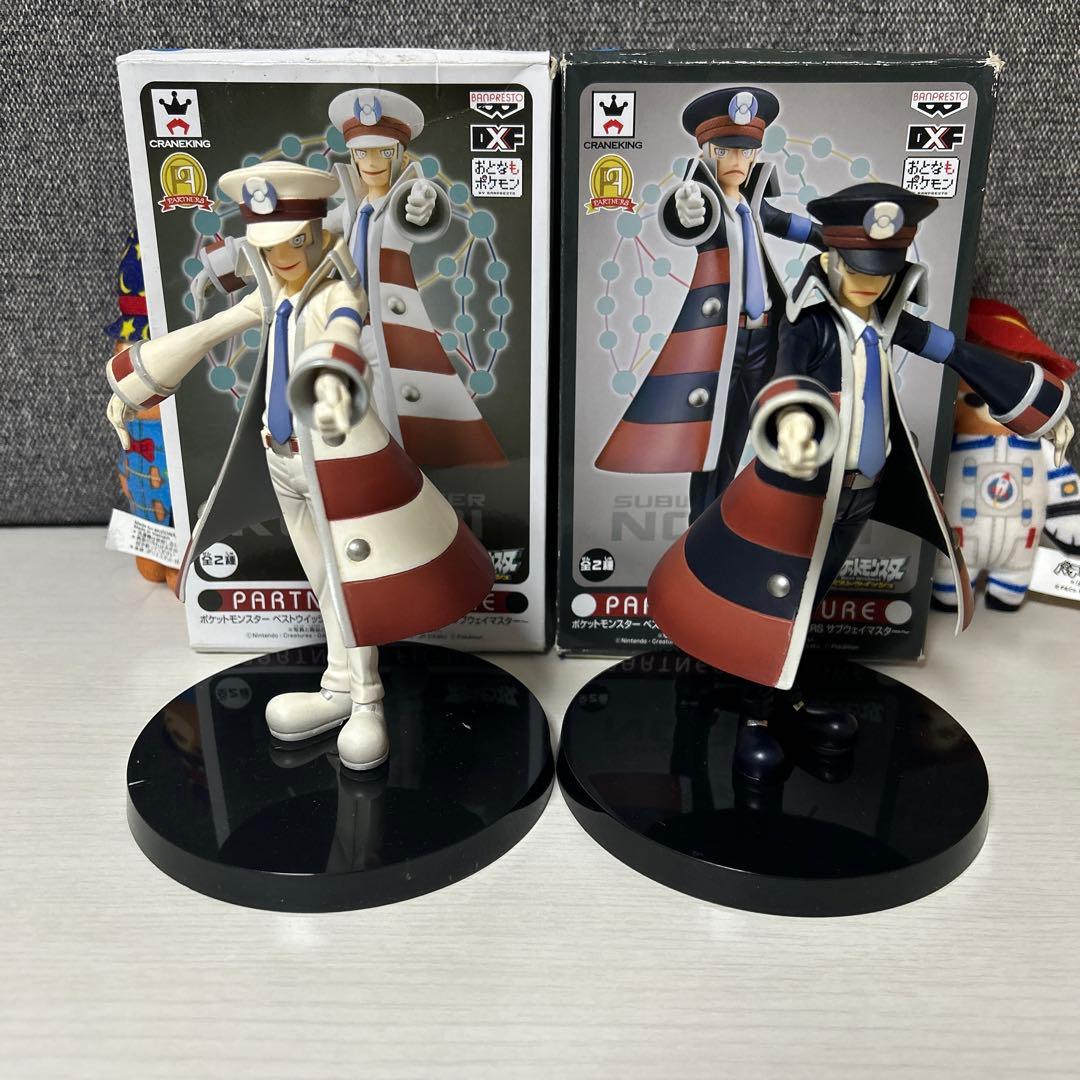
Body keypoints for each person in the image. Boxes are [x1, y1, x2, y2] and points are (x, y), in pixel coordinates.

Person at [105, 162, 494, 770]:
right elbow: (212, 330)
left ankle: (366, 700)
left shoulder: (336, 293)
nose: (283, 259)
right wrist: (136, 384)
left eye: (295, 244)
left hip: (335, 465)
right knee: (322, 581)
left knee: (351, 583)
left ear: (317, 235)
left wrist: (335, 377)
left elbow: (344, 334)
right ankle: (337, 687)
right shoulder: (274, 297)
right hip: (281, 461)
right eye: (269, 249)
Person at [648, 183, 1073, 696]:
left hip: (863, 493)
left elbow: (956, 352)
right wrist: (794, 420)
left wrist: (1040, 412)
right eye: (856, 270)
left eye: (880, 273)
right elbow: (787, 373)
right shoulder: (810, 326)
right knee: (775, 599)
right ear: (830, 261)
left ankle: (783, 698)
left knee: (813, 597)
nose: (868, 285)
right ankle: (755, 703)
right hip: (808, 491)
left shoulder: (890, 323)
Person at [596, 87, 823, 520]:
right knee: (715, 444)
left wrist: (834, 240)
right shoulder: (707, 201)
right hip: (723, 342)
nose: (737, 161)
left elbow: (791, 225)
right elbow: (684, 216)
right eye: (724, 151)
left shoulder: (752, 204)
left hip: (768, 339)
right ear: (704, 152)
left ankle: (777, 518)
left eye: (746, 152)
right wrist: (684, 208)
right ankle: (702, 525)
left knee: (781, 428)